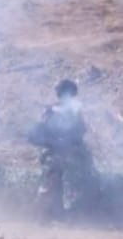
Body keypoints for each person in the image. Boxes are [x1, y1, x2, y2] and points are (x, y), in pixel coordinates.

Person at [30, 79, 95, 221]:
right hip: (57, 154)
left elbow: (80, 131)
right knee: (51, 185)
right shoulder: (57, 111)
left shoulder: (61, 110)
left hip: (63, 154)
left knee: (56, 186)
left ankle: (53, 216)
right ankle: (43, 216)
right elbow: (41, 133)